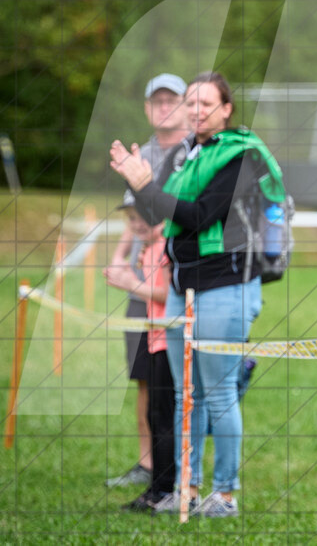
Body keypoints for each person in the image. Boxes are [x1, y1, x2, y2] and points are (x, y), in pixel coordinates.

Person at [110, 71, 286, 518]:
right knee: (187, 393)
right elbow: (156, 217)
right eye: (192, 103)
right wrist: (139, 183)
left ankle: (224, 494)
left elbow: (199, 215)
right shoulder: (187, 155)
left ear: (226, 109)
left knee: (219, 391)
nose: (197, 110)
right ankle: (187, 488)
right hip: (180, 286)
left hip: (227, 286)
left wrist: (147, 187)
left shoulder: (239, 154)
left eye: (207, 103)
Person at [104, 73, 190, 489]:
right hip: (143, 283)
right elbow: (134, 219)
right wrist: (120, 259)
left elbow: (194, 214)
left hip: (179, 279)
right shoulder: (144, 153)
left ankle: (185, 467)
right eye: (156, 100)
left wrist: (160, 231)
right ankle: (148, 462)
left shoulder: (196, 150)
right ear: (146, 107)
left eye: (171, 99)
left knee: (182, 380)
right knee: (145, 376)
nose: (163, 106)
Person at [102, 193, 175, 512]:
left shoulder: (165, 246)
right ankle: (159, 485)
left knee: (166, 415)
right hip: (155, 336)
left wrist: (130, 284)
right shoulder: (148, 248)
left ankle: (166, 488)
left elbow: (167, 295)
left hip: (169, 339)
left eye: (141, 216)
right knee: (155, 413)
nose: (136, 224)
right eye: (130, 219)